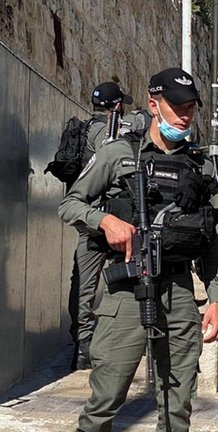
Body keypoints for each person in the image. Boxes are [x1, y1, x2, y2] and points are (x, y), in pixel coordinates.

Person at [52, 68, 218, 432]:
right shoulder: (117, 154)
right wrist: (104, 219)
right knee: (106, 397)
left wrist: (214, 298)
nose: (186, 114)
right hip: (126, 292)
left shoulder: (198, 167)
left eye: (191, 107)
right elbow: (70, 204)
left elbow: (213, 239)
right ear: (154, 105)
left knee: (178, 398)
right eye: (178, 106)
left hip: (176, 293)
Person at [68, 82, 134, 371]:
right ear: (117, 106)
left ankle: (82, 345)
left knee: (83, 282)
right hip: (110, 217)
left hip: (86, 217)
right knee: (128, 276)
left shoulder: (83, 129)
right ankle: (107, 343)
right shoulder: (109, 134)